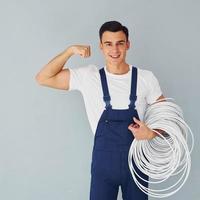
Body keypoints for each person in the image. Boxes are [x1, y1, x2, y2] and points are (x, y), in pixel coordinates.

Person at [35, 21, 165, 200]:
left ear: (128, 44)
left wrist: (150, 134)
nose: (115, 50)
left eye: (120, 43)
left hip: (138, 164)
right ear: (101, 47)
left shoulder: (146, 78)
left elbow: (169, 121)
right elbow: (43, 78)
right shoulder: (89, 77)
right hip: (104, 167)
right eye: (108, 44)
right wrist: (70, 50)